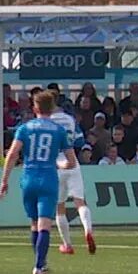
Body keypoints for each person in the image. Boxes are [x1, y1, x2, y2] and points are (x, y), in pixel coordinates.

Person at [0, 90, 79, 274]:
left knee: (34, 224)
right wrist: (61, 165)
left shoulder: (25, 128)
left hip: (29, 179)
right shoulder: (58, 130)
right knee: (45, 225)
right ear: (52, 108)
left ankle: (40, 264)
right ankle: (39, 267)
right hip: (48, 179)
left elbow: (13, 154)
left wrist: (4, 182)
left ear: (34, 108)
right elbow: (72, 161)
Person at [49, 106, 96, 254]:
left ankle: (67, 244)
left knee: (59, 206)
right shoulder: (70, 120)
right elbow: (80, 141)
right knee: (80, 201)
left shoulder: (47, 121)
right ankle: (87, 230)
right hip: (72, 162)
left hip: (56, 164)